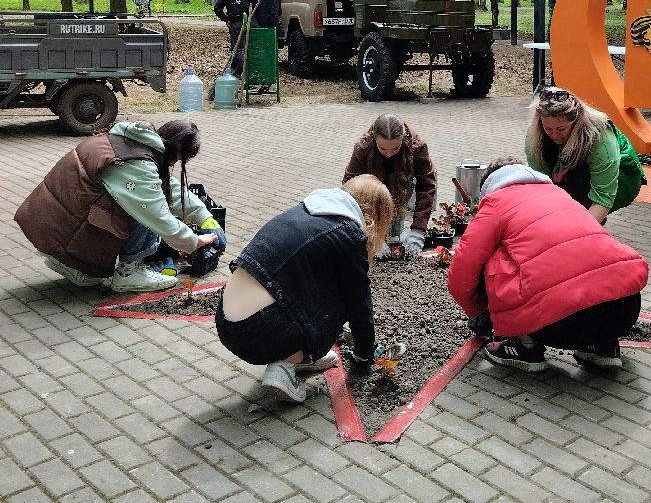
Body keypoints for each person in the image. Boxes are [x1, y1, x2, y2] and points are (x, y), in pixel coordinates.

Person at [447, 157, 649, 371]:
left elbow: (461, 272)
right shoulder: (560, 194)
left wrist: (480, 314)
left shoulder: (495, 202)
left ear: (489, 186)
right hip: (624, 310)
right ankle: (602, 345)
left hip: (557, 326)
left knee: (493, 256)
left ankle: (523, 345)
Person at [216, 174, 394, 402]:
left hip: (227, 323)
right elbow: (359, 303)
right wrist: (364, 354)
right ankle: (284, 367)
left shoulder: (309, 210)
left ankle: (300, 356)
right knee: (342, 296)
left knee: (316, 285)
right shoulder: (348, 235)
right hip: (259, 331)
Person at [14, 120, 225, 293]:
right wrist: (194, 242)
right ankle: (129, 273)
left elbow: (167, 186)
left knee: (90, 279)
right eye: (180, 159)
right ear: (177, 152)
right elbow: (157, 213)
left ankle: (73, 263)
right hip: (63, 233)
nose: (174, 164)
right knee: (143, 209)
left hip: (54, 225)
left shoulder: (128, 142)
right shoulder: (137, 163)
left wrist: (204, 216)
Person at [343, 113, 437, 258]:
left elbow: (427, 187)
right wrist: (370, 234)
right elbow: (350, 191)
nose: (389, 154)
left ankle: (396, 233)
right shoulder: (363, 148)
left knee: (396, 229)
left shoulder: (417, 146)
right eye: (383, 149)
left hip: (403, 186)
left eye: (395, 148)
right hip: (372, 192)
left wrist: (418, 230)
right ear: (374, 139)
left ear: (403, 138)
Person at [525, 86, 621, 225]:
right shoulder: (534, 135)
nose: (555, 135)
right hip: (562, 169)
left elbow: (603, 198)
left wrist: (576, 232)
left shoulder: (601, 139)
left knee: (578, 182)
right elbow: (542, 184)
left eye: (561, 129)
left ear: (574, 122)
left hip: (609, 177)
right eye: (548, 129)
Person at [214, 0, 250, 75]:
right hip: (242, 22)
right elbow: (217, 8)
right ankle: (239, 69)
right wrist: (226, 19)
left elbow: (217, 8)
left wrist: (226, 19)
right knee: (240, 47)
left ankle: (239, 70)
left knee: (238, 47)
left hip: (239, 22)